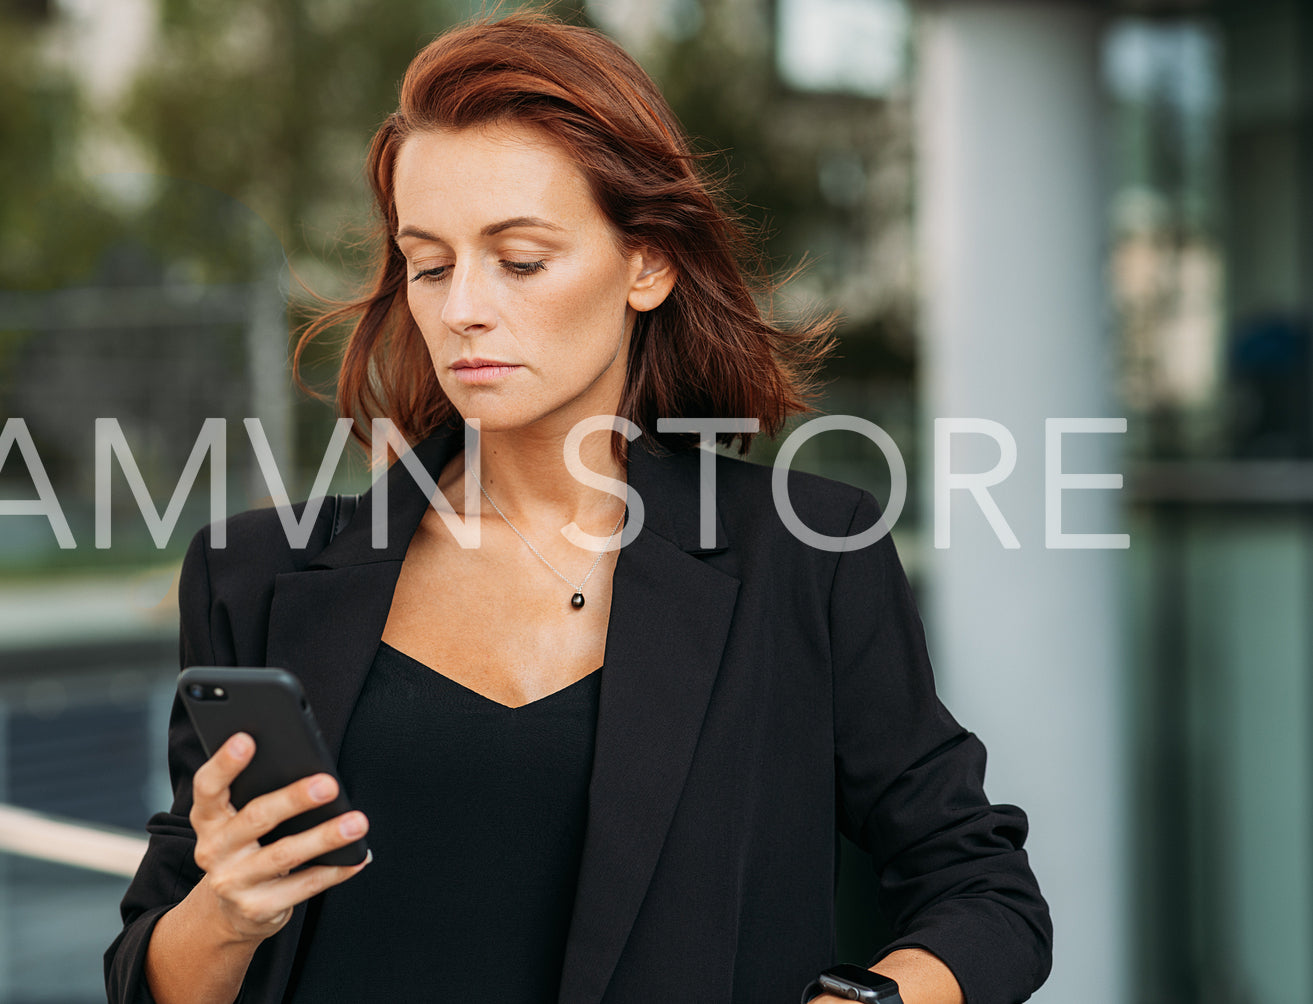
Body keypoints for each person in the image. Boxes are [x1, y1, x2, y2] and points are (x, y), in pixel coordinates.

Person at [104, 12, 1051, 1004]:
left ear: (645, 264)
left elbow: (984, 893)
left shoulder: (805, 561)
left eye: (518, 260)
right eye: (428, 262)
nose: (463, 304)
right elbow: (149, 976)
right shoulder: (257, 577)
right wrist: (228, 907)